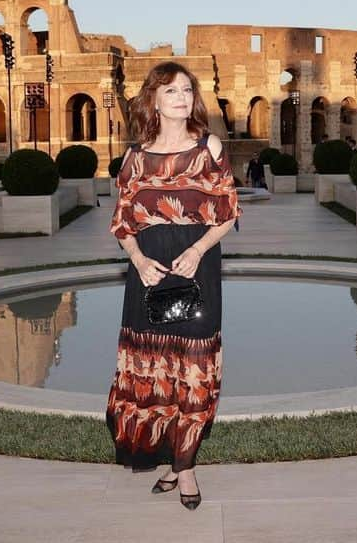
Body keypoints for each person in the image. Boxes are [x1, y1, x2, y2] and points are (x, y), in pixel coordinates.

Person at [108, 62, 241, 511]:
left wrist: (198, 250)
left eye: (187, 89)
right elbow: (123, 224)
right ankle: (174, 460)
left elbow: (227, 214)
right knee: (157, 373)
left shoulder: (209, 149)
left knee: (193, 372)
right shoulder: (133, 158)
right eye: (171, 91)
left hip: (195, 267)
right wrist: (139, 260)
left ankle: (185, 466)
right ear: (154, 100)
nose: (181, 97)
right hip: (147, 272)